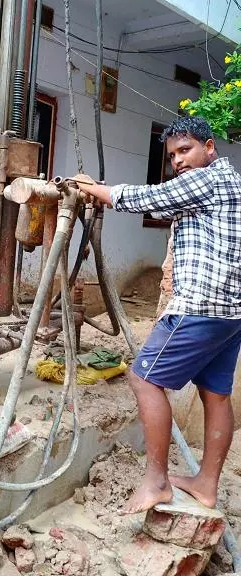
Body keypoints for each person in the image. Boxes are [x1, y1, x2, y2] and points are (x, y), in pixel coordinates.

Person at [72, 116, 241, 514]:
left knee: (143, 378)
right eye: (172, 155)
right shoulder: (233, 181)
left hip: (200, 305)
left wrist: (94, 190)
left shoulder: (208, 180)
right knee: (215, 394)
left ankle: (157, 481)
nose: (178, 161)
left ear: (210, 147)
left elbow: (151, 198)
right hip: (231, 313)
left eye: (186, 150)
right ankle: (205, 484)